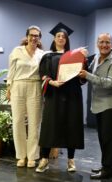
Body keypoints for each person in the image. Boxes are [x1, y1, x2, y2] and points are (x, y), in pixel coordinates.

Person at [36, 23, 87, 173]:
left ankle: (71, 160)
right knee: (49, 126)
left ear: (66, 39)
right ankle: (44, 159)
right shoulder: (47, 56)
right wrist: (51, 82)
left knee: (72, 125)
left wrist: (84, 60)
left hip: (72, 95)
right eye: (58, 36)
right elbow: (43, 75)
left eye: (63, 36)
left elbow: (83, 76)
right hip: (54, 94)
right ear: (54, 38)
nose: (61, 38)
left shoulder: (75, 55)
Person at [79, 33, 112, 179]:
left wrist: (87, 76)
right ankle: (106, 166)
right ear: (97, 43)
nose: (104, 45)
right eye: (102, 42)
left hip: (109, 104)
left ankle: (108, 169)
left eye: (107, 42)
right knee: (103, 138)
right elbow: (87, 70)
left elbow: (110, 83)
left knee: (107, 138)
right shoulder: (96, 58)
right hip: (97, 104)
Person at [6, 25, 44, 168]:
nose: (34, 38)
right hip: (18, 85)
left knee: (34, 123)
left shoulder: (42, 54)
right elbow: (11, 71)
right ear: (27, 36)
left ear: (39, 38)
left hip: (35, 86)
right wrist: (9, 88)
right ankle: (21, 156)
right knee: (17, 122)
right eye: (31, 35)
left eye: (37, 36)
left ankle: (32, 156)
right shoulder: (17, 51)